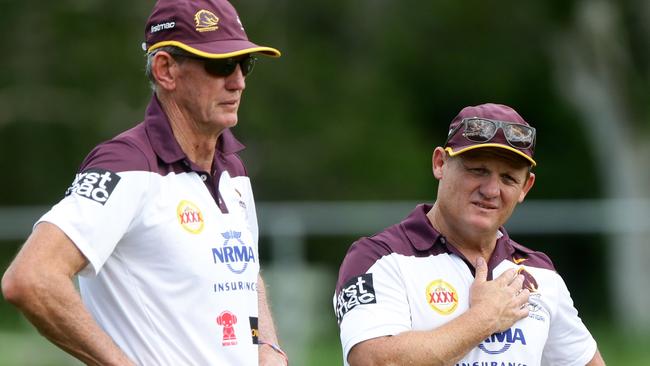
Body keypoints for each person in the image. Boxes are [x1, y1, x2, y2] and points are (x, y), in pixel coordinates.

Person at [1, 0, 288, 365]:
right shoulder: (126, 166)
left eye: (245, 63)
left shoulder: (233, 168)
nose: (239, 81)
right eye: (221, 64)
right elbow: (31, 278)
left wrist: (267, 345)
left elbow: (244, 273)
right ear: (165, 69)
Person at [333, 103, 606, 366]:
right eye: (478, 170)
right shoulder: (378, 258)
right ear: (440, 163)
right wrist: (484, 319)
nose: (491, 190)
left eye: (508, 178)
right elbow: (374, 361)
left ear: (526, 187)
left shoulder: (540, 274)